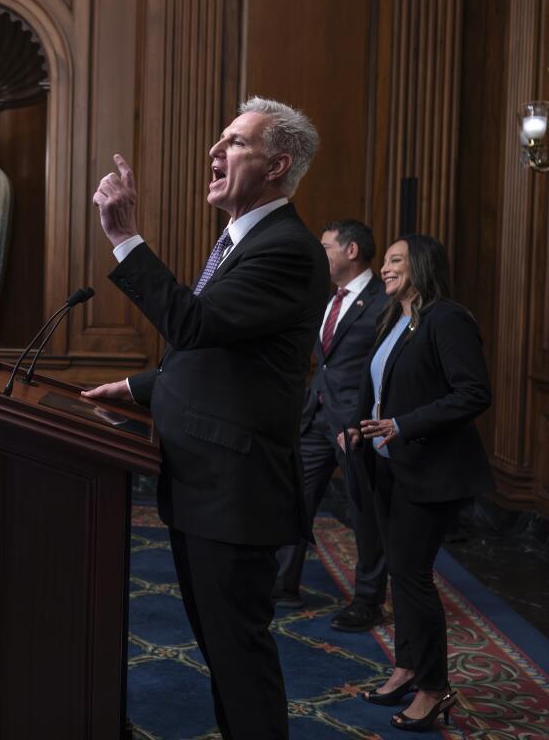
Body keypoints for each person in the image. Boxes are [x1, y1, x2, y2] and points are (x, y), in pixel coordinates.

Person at [82, 97, 328, 738]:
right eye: (219, 140)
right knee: (222, 652)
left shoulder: (288, 250)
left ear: (277, 165)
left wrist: (124, 238)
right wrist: (137, 387)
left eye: (234, 143)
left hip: (235, 492)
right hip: (205, 484)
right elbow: (221, 356)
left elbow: (192, 327)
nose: (214, 153)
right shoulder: (239, 241)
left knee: (238, 656)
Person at [342, 234, 492, 731]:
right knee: (401, 576)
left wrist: (403, 426)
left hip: (430, 471)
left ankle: (433, 688)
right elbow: (381, 387)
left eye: (395, 260)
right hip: (389, 466)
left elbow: (473, 393)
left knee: (412, 576)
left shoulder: (446, 318)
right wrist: (357, 426)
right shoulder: (397, 319)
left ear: (421, 266)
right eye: (383, 260)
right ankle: (406, 667)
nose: (384, 267)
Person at [274, 219, 389, 632]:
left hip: (355, 424)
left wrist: (366, 420)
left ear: (352, 250)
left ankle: (367, 600)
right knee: (294, 501)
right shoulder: (327, 298)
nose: (320, 254)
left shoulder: (382, 300)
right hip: (314, 418)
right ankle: (282, 584)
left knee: (363, 513)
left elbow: (385, 367)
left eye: (326, 248)